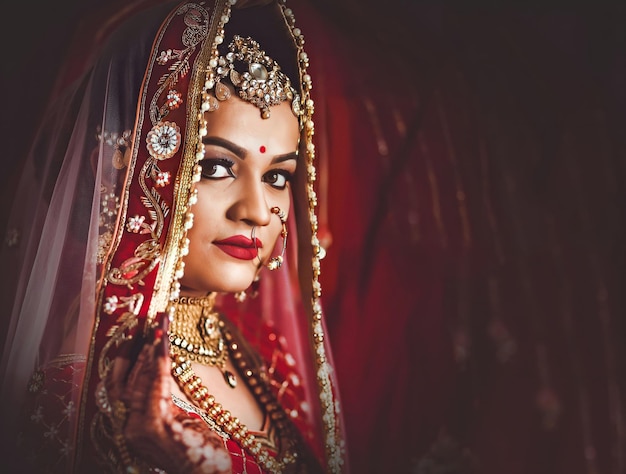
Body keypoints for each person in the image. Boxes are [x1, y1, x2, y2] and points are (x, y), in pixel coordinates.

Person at [0, 0, 346, 472]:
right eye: (217, 167)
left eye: (278, 177)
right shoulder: (79, 396)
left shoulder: (262, 357)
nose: (257, 211)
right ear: (137, 173)